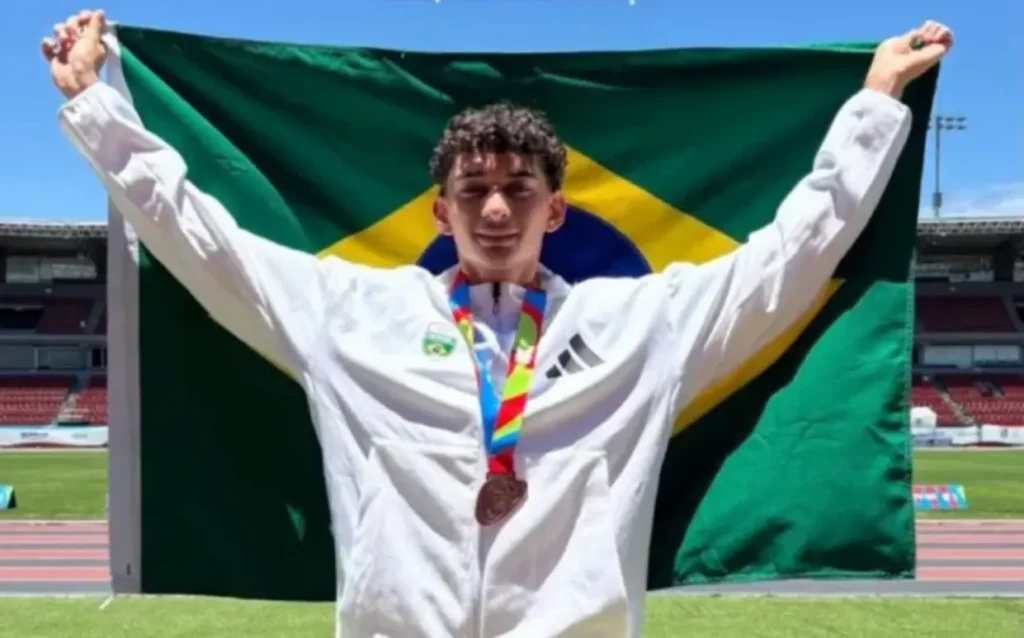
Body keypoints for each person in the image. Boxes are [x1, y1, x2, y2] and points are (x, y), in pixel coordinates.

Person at [44, 10, 952, 638]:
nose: (495, 211)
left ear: (556, 210)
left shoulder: (640, 322)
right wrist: (98, 108)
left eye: (520, 190)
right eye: (472, 192)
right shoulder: (349, 312)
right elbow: (202, 240)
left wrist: (874, 104)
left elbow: (788, 257)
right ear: (440, 212)